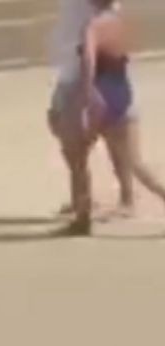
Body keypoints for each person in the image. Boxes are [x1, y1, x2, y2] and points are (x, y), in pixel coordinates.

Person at [65, 0, 165, 234]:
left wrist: (87, 96)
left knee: (77, 155)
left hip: (101, 96)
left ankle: (82, 216)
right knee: (137, 164)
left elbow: (89, 62)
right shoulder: (120, 23)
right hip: (123, 94)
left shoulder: (92, 26)